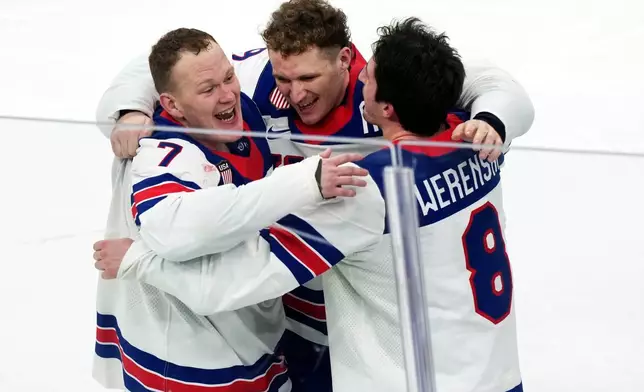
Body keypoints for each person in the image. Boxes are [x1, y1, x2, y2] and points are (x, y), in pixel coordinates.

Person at [94, 0, 534, 388]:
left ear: (349, 64)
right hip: (450, 356)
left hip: (364, 334)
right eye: (284, 78)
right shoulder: (470, 142)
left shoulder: (365, 184)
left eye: (308, 77)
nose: (295, 93)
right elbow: (164, 63)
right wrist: (133, 107)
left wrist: (136, 260)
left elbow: (234, 277)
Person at [92, 27, 376, 392]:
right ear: (172, 105)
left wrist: (478, 114)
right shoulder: (157, 152)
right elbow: (177, 231)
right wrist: (305, 182)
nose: (228, 94)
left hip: (257, 341)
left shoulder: (247, 110)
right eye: (209, 89)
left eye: (229, 78)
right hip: (187, 363)